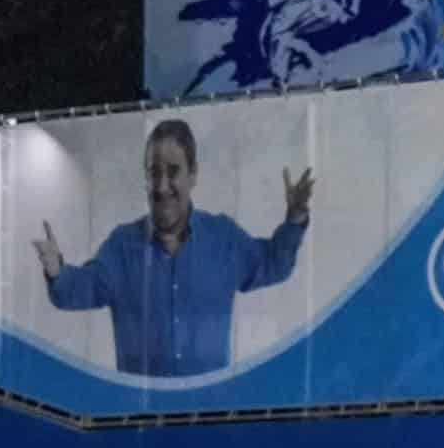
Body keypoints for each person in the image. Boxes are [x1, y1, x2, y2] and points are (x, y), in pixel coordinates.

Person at [35, 117, 313, 378]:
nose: (162, 186)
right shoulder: (123, 247)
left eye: (173, 172)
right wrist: (57, 270)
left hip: (205, 416)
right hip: (139, 417)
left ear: (193, 174)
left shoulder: (223, 239)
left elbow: (275, 264)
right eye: (154, 173)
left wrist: (296, 217)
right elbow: (78, 290)